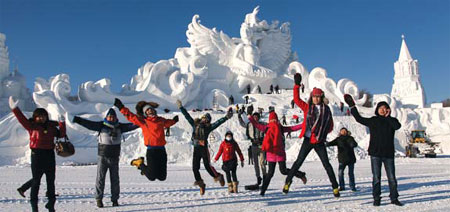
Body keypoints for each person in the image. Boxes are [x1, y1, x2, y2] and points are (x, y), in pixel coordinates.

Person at [284, 73, 340, 197]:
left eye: (318, 97)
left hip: (319, 141)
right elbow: (297, 100)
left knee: (327, 165)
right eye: (314, 96)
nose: (315, 99)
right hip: (308, 140)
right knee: (298, 162)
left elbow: (330, 125)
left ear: (321, 97)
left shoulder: (327, 110)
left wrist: (321, 134)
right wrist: (297, 85)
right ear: (311, 97)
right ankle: (287, 182)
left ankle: (335, 187)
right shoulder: (307, 107)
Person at [344, 94, 403, 206]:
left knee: (392, 178)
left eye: (385, 108)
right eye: (380, 108)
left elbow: (397, 127)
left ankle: (394, 198)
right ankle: (377, 198)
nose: (382, 110)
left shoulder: (392, 121)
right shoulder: (373, 120)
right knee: (376, 178)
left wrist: (388, 117)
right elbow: (359, 118)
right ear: (377, 110)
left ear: (388, 110)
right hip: (376, 153)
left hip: (388, 154)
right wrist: (352, 106)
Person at [72, 108, 138, 208]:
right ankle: (99, 199)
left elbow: (132, 125)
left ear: (116, 117)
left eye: (113, 116)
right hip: (102, 157)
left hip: (114, 157)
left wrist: (143, 121)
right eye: (109, 116)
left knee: (115, 180)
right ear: (106, 117)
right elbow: (89, 124)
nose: (111, 118)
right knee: (100, 179)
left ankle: (115, 200)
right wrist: (78, 120)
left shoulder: (120, 127)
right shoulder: (101, 125)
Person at [9, 96, 65, 212]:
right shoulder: (31, 126)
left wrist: (62, 123)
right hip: (37, 155)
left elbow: (61, 135)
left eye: (43, 116)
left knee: (51, 181)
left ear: (46, 117)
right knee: (36, 181)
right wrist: (15, 109)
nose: (41, 118)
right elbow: (22, 119)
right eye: (39, 116)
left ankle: (51, 205)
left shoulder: (51, 127)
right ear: (35, 117)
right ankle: (34, 207)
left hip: (49, 154)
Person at [114, 98, 178, 182]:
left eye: (151, 109)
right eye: (147, 110)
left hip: (162, 150)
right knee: (152, 177)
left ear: (154, 111)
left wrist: (174, 120)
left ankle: (146, 170)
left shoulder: (161, 120)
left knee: (162, 177)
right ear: (145, 113)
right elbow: (131, 116)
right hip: (151, 151)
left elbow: (168, 123)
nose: (150, 111)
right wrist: (121, 107)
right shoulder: (143, 121)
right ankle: (140, 163)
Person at [177, 99, 233, 195]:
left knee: (207, 166)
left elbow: (218, 123)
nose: (205, 120)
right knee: (195, 168)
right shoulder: (195, 124)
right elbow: (187, 116)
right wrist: (181, 108)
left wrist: (226, 117)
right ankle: (201, 183)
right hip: (196, 149)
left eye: (207, 119)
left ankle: (218, 176)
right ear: (201, 118)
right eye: (204, 118)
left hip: (204, 149)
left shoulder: (208, 127)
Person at [248, 110, 307, 196]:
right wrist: (303, 125)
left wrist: (250, 117)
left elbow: (256, 125)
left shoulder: (266, 127)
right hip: (280, 153)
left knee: (270, 174)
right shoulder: (280, 128)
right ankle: (300, 174)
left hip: (271, 154)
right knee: (283, 171)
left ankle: (262, 192)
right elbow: (293, 128)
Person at [237, 105, 266, 186]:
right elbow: (242, 124)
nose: (256, 118)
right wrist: (239, 116)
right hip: (253, 145)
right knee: (255, 163)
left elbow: (269, 126)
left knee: (262, 162)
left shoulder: (262, 124)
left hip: (261, 145)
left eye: (257, 117)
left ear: (259, 118)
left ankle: (265, 177)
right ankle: (258, 177)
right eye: (254, 117)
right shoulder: (249, 124)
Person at [326, 127, 358, 192]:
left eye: (344, 131)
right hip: (342, 159)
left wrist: (352, 144)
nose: (343, 132)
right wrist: (325, 143)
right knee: (340, 173)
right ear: (340, 132)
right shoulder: (338, 139)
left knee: (351, 173)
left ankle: (352, 187)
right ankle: (342, 186)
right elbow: (330, 143)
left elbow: (355, 144)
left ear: (347, 132)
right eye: (342, 131)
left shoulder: (350, 138)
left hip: (350, 159)